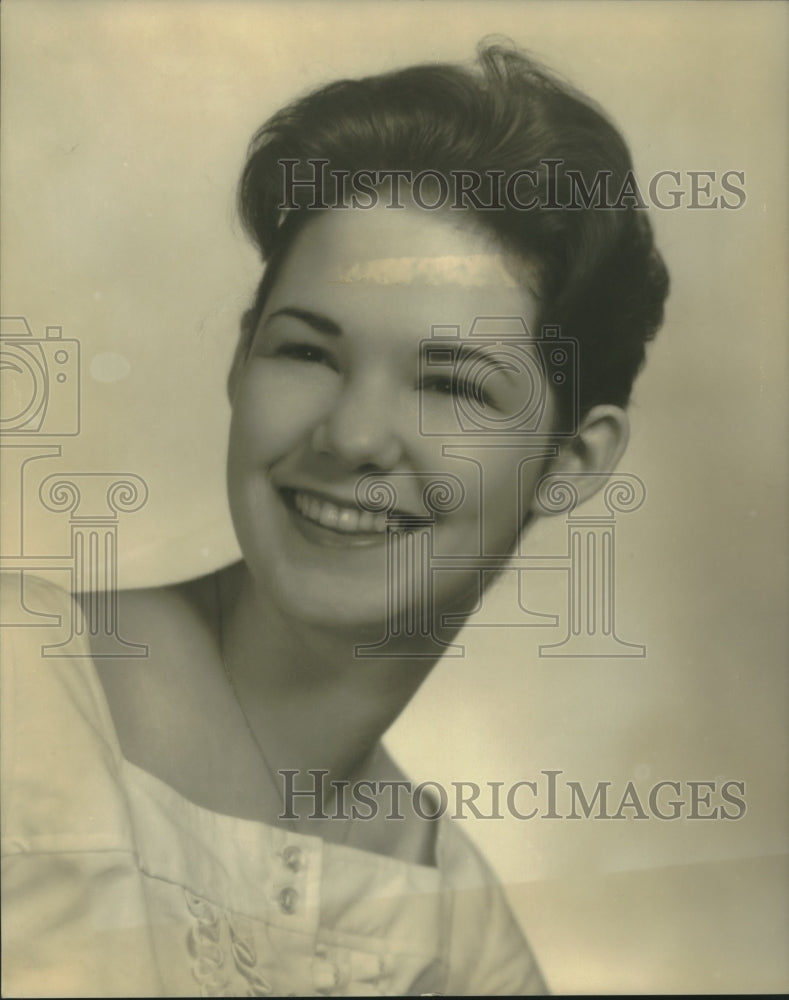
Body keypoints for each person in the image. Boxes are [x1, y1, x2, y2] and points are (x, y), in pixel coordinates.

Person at [1, 41, 668, 996]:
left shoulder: (457, 932)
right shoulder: (15, 683)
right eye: (307, 353)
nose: (352, 436)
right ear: (241, 359)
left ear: (571, 461)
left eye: (449, 383)